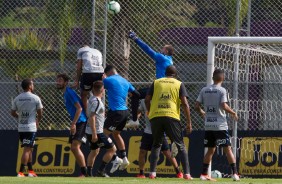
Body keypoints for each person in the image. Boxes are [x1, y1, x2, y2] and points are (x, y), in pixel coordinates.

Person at [145, 65, 193, 180]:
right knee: (180, 145)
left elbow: (147, 99)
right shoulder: (178, 84)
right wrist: (189, 122)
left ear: (165, 73)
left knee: (156, 144)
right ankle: (187, 174)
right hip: (172, 116)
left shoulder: (156, 82)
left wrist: (149, 112)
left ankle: (152, 173)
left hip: (156, 116)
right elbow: (185, 104)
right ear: (175, 75)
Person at [195, 69, 240, 181]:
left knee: (210, 150)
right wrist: (233, 112)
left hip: (209, 125)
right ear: (223, 78)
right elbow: (223, 105)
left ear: (212, 78)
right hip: (220, 125)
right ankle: (234, 174)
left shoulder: (204, 89)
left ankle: (203, 174)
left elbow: (196, 106)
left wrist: (202, 113)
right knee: (227, 149)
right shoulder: (222, 90)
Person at [127, 30, 174, 127]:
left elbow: (148, 50)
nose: (161, 49)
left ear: (166, 51)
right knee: (145, 100)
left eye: (163, 48)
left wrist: (136, 39)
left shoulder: (163, 58)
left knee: (135, 94)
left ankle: (135, 120)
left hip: (159, 87)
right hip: (165, 88)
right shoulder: (170, 60)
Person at [103, 65, 140, 172]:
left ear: (108, 73)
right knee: (116, 134)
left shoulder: (109, 80)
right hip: (125, 112)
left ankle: (115, 158)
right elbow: (136, 94)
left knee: (103, 135)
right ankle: (124, 158)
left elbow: (96, 86)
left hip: (115, 112)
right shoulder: (125, 81)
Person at [136, 99, 183, 178]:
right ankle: (141, 173)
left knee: (167, 153)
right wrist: (136, 118)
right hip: (148, 132)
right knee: (142, 152)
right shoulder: (144, 101)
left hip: (159, 132)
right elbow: (139, 110)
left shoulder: (161, 100)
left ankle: (178, 172)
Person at [85, 81, 122, 177]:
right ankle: (101, 171)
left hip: (89, 131)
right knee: (112, 149)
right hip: (97, 132)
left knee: (94, 151)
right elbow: (92, 117)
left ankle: (89, 173)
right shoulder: (97, 102)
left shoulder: (92, 99)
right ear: (102, 90)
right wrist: (94, 134)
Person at [56, 73, 88, 177]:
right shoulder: (65, 93)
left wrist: (73, 124)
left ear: (66, 83)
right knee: (74, 148)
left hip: (81, 121)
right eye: (57, 80)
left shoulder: (69, 92)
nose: (58, 82)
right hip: (77, 122)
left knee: (75, 147)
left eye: (60, 80)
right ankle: (84, 172)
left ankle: (84, 173)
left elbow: (79, 108)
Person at [11, 79, 43, 177]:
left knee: (30, 148)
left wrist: (20, 117)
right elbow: (40, 113)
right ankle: (20, 172)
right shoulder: (35, 98)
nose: (33, 85)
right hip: (31, 128)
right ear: (29, 86)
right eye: (32, 84)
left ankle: (30, 171)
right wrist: (38, 120)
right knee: (27, 149)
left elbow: (12, 112)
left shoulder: (17, 98)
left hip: (21, 128)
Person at [74, 45, 104, 111]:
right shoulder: (97, 51)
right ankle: (100, 113)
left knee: (84, 95)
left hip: (88, 73)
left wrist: (77, 80)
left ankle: (88, 114)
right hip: (100, 73)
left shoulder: (81, 50)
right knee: (98, 94)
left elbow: (79, 67)